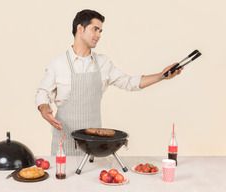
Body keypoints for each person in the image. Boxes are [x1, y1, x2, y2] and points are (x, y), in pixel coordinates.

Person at [35, 9, 183, 156]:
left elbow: (129, 82)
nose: (98, 35)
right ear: (80, 29)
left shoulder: (103, 63)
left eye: (100, 31)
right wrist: (44, 109)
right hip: (64, 142)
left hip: (93, 145)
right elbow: (43, 92)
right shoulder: (58, 63)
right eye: (95, 29)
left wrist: (161, 76)